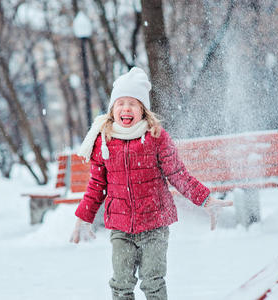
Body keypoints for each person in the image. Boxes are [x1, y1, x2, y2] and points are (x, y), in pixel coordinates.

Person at [70, 67, 233, 300]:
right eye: (120, 103)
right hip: (120, 227)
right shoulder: (103, 142)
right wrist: (83, 217)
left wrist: (204, 198)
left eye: (133, 104)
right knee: (121, 284)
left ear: (143, 111)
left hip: (155, 224)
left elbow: (177, 174)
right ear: (112, 110)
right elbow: (96, 185)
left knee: (153, 282)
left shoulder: (156, 137)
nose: (126, 108)